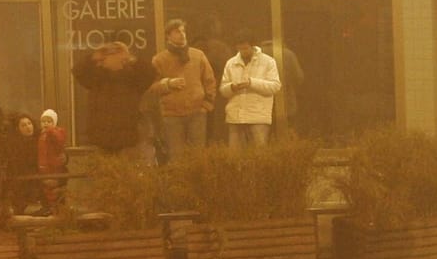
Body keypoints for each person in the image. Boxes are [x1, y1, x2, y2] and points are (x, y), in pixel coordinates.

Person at [72, 41, 153, 157]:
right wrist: (94, 56)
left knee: (125, 171)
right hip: (101, 136)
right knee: (104, 171)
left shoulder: (132, 78)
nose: (113, 58)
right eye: (110, 55)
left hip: (126, 136)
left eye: (116, 55)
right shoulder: (97, 77)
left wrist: (131, 58)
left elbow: (149, 74)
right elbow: (78, 71)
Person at [150, 19, 217, 159]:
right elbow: (151, 87)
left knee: (198, 155)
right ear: (168, 36)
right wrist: (168, 84)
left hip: (197, 112)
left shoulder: (197, 55)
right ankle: (179, 181)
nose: (181, 34)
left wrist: (206, 105)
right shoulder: (159, 59)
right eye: (177, 31)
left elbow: (210, 81)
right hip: (172, 114)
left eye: (183, 31)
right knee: (176, 156)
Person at [219, 34, 282, 148]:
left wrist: (251, 83)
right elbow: (223, 90)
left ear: (253, 46)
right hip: (235, 117)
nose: (243, 51)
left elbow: (275, 86)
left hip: (258, 117)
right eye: (240, 49)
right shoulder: (231, 63)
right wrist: (232, 87)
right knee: (235, 158)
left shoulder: (268, 61)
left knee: (259, 157)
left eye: (245, 48)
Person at [4, 112, 42, 213]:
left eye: (29, 123)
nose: (28, 127)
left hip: (41, 176)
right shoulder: (15, 146)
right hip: (23, 179)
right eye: (23, 125)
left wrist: (65, 157)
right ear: (18, 129)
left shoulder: (41, 139)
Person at [37, 108, 69, 210]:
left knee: (56, 190)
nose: (45, 124)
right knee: (47, 190)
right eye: (43, 121)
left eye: (49, 121)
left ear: (54, 123)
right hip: (44, 168)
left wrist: (51, 130)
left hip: (55, 167)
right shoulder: (41, 135)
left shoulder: (57, 132)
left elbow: (59, 140)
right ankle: (49, 208)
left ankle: (58, 209)